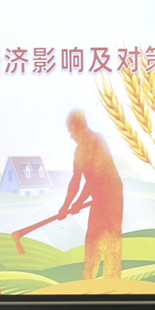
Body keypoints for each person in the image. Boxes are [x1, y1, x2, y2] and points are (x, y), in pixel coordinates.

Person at [58, 109, 123, 279]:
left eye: (71, 132)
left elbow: (96, 178)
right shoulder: (79, 151)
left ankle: (112, 282)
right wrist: (65, 207)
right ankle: (88, 281)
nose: (71, 136)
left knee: (111, 240)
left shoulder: (98, 141)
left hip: (113, 197)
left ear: (79, 127)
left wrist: (78, 202)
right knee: (92, 239)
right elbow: (75, 181)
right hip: (98, 198)